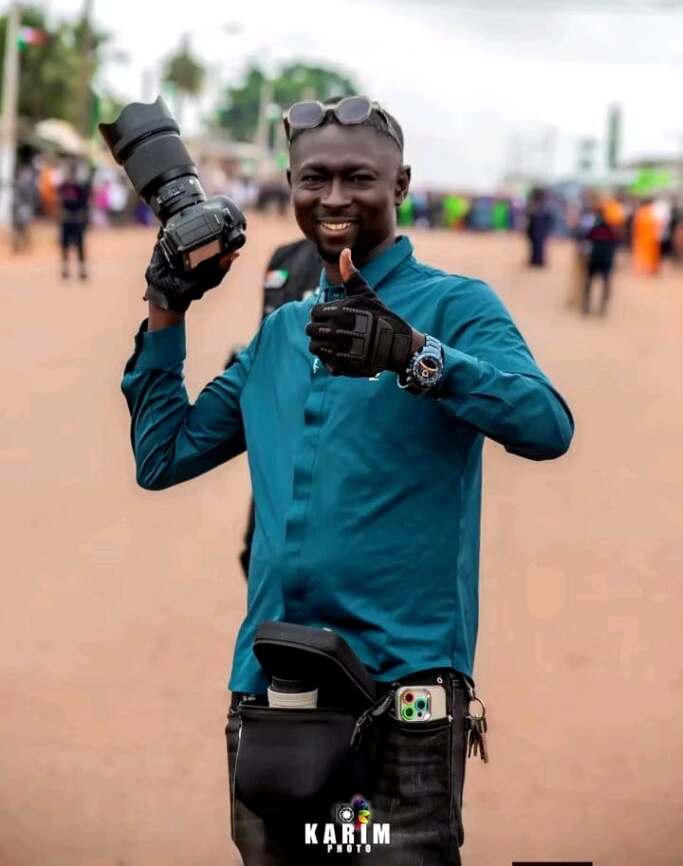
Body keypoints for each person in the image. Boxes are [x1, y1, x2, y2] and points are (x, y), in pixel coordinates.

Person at [121, 95, 574, 865]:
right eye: (313, 179)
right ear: (291, 186)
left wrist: (413, 356)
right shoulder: (280, 333)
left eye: (357, 178)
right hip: (273, 689)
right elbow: (162, 456)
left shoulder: (454, 307)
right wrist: (166, 308)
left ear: (400, 185)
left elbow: (546, 425)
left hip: (401, 699)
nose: (332, 198)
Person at [227, 237, 321, 577]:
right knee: (259, 559)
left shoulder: (375, 273)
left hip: (330, 470)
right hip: (278, 455)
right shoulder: (284, 257)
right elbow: (268, 342)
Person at [57, 157, 92, 280]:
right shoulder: (63, 186)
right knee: (65, 245)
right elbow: (60, 201)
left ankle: (82, 269)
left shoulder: (81, 187)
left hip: (77, 219)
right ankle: (65, 268)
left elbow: (85, 203)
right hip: (67, 218)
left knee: (80, 245)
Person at [581, 207, 618, 315]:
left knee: (589, 283)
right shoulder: (610, 230)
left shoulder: (594, 229)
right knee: (605, 285)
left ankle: (586, 306)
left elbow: (586, 243)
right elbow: (614, 245)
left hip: (594, 260)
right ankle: (602, 308)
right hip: (606, 261)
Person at [632, 198, 661, 275]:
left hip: (646, 238)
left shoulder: (643, 213)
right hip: (649, 238)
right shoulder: (650, 212)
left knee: (647, 255)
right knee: (650, 255)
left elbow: (636, 226)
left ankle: (648, 269)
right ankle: (650, 269)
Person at [525, 187, 553, 267]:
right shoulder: (535, 205)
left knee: (539, 246)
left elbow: (548, 218)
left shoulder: (541, 205)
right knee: (536, 246)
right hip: (535, 229)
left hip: (539, 229)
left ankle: (538, 261)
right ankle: (536, 260)